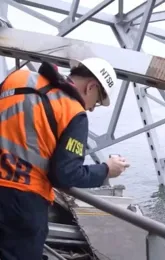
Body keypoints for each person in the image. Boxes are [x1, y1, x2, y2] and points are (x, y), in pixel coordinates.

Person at [0, 57, 130, 260]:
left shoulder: (17, 78)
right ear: (91, 87)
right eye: (96, 101)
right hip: (23, 201)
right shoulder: (73, 113)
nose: (92, 108)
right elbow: (66, 175)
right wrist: (106, 169)